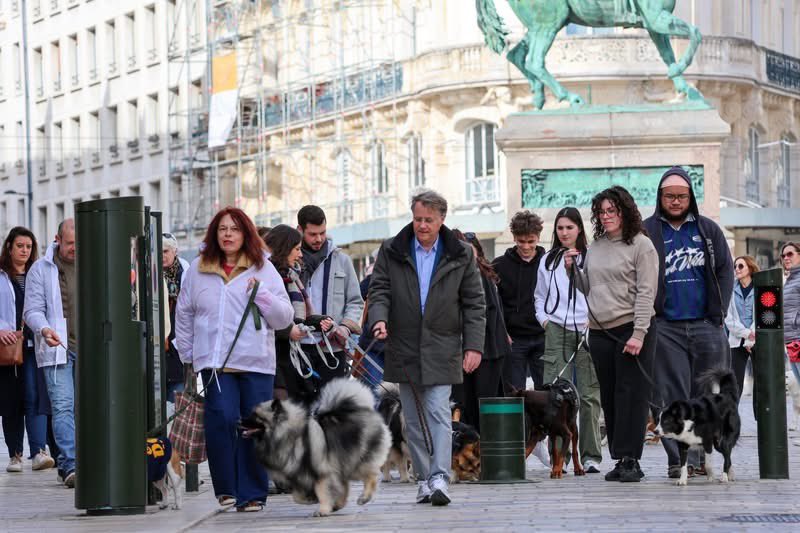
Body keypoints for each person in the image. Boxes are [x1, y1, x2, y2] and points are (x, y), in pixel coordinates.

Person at [369, 188, 485, 506]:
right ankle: (424, 478)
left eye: (429, 220)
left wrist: (474, 346)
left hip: (443, 345)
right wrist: (378, 319)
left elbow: (475, 303)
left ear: (442, 219)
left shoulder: (460, 253)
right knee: (413, 418)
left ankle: (439, 477)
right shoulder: (391, 249)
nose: (422, 225)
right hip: (403, 346)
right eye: (418, 219)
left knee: (436, 411)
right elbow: (379, 289)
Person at [175, 207, 293, 512]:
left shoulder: (263, 269)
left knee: (254, 425)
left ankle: (252, 492)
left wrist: (263, 295)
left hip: (256, 361)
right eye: (223, 229)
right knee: (221, 419)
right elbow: (184, 314)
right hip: (214, 363)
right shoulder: (198, 269)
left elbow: (283, 318)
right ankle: (226, 487)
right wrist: (188, 354)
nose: (228, 234)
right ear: (215, 234)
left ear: (246, 234)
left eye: (235, 229)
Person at [642, 166, 734, 479]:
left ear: (690, 197)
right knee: (670, 395)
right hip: (665, 325)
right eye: (670, 196)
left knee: (706, 396)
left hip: (705, 324)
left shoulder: (708, 230)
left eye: (682, 196)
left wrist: (718, 312)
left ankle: (698, 458)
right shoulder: (647, 231)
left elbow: (725, 270)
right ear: (660, 197)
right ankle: (678, 459)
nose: (677, 201)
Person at [566, 186, 659, 483]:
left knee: (631, 395)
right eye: (601, 212)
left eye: (611, 211)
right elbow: (590, 288)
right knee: (610, 397)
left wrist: (640, 333)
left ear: (624, 212)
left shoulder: (641, 245)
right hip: (600, 331)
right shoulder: (596, 246)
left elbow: (647, 292)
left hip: (632, 327)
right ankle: (620, 457)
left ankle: (633, 458)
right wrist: (572, 272)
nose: (605, 217)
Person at [535, 207, 602, 474]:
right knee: (554, 396)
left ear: (579, 230)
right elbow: (539, 295)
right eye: (560, 228)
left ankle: (591, 456)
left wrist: (592, 320)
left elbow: (596, 291)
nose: (564, 233)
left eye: (569, 228)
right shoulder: (547, 260)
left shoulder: (590, 257)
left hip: (586, 328)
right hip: (556, 328)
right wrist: (544, 320)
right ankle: (558, 457)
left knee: (588, 395)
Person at [23, 219, 79, 488]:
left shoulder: (94, 261)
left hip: (92, 350)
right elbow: (31, 310)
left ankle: (88, 460)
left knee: (88, 408)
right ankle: (70, 464)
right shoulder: (40, 269)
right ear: (58, 239)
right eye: (70, 244)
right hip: (57, 349)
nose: (74, 249)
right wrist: (44, 329)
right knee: (63, 407)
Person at [0, 227, 55, 473]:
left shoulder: (38, 273)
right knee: (10, 400)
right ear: (9, 247)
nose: (24, 250)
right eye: (20, 246)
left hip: (34, 344)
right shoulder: (1, 275)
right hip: (7, 346)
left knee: (34, 396)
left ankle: (38, 452)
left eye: (29, 247)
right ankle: (15, 455)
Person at [296, 205, 363, 394]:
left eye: (322, 233)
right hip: (299, 347)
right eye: (312, 234)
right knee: (302, 407)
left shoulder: (342, 259)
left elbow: (355, 301)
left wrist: (345, 327)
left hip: (332, 349)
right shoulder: (291, 261)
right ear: (300, 230)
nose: (318, 239)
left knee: (332, 408)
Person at [264, 224, 333, 403]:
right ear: (283, 249)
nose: (300, 254)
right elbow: (266, 318)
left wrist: (317, 322)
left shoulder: (292, 276)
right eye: (296, 249)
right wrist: (288, 331)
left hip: (291, 358)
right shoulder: (269, 278)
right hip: (273, 360)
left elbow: (295, 318)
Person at [451, 230, 510, 432]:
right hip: (472, 349)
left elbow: (486, 314)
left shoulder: (477, 273)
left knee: (481, 408)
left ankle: (481, 454)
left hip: (486, 351)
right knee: (465, 406)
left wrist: (472, 349)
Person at [492, 210, 547, 391]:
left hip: (543, 336)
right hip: (513, 340)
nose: (525, 246)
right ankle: (521, 421)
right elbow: (494, 304)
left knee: (547, 393)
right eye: (521, 241)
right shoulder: (499, 266)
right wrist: (502, 332)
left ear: (538, 237)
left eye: (530, 241)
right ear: (514, 237)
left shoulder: (549, 264)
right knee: (514, 393)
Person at [726, 255, 758, 416]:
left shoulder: (760, 289)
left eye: (740, 266)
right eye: (735, 266)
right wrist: (746, 334)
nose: (737, 269)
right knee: (734, 384)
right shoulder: (730, 289)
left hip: (757, 341)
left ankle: (761, 419)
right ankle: (730, 420)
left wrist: (751, 338)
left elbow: (763, 315)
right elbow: (728, 318)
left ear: (750, 268)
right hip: (736, 342)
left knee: (761, 382)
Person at [162, 233, 191, 407]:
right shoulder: (148, 273)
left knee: (179, 403)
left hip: (179, 347)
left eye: (166, 251)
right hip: (159, 348)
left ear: (175, 251)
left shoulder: (185, 273)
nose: (162, 256)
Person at [782, 242, 800, 384]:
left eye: (790, 254)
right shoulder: (790, 280)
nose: (786, 258)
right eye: (783, 255)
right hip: (791, 341)